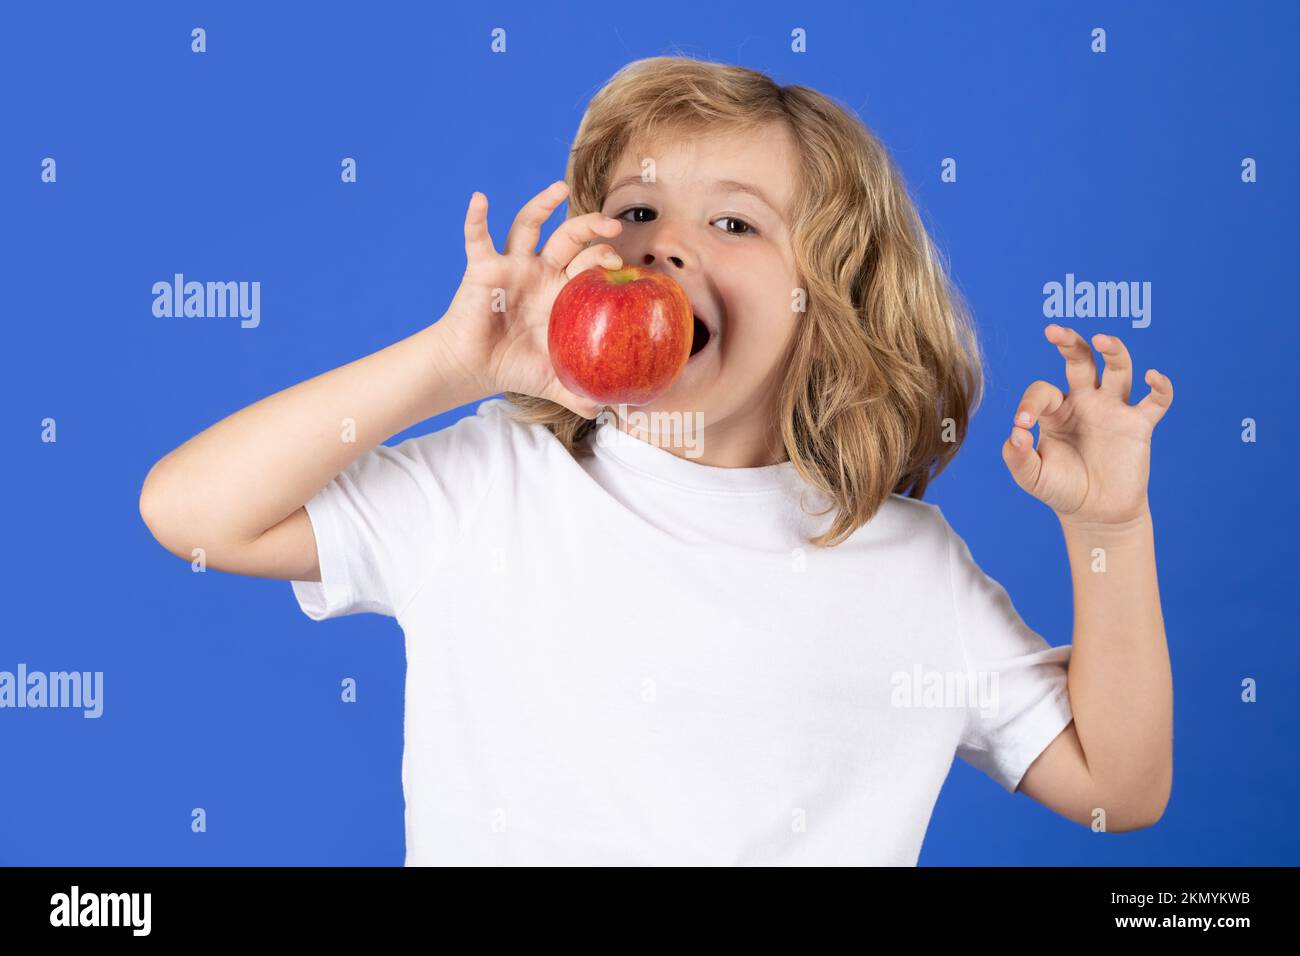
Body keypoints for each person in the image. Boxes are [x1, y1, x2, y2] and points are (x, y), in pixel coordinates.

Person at [139, 55, 1174, 865]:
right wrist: (450, 365)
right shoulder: (488, 482)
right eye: (636, 211)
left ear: (834, 304)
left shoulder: (909, 564)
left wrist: (1109, 529)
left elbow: (1116, 789)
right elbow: (192, 511)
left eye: (732, 221)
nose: (662, 246)